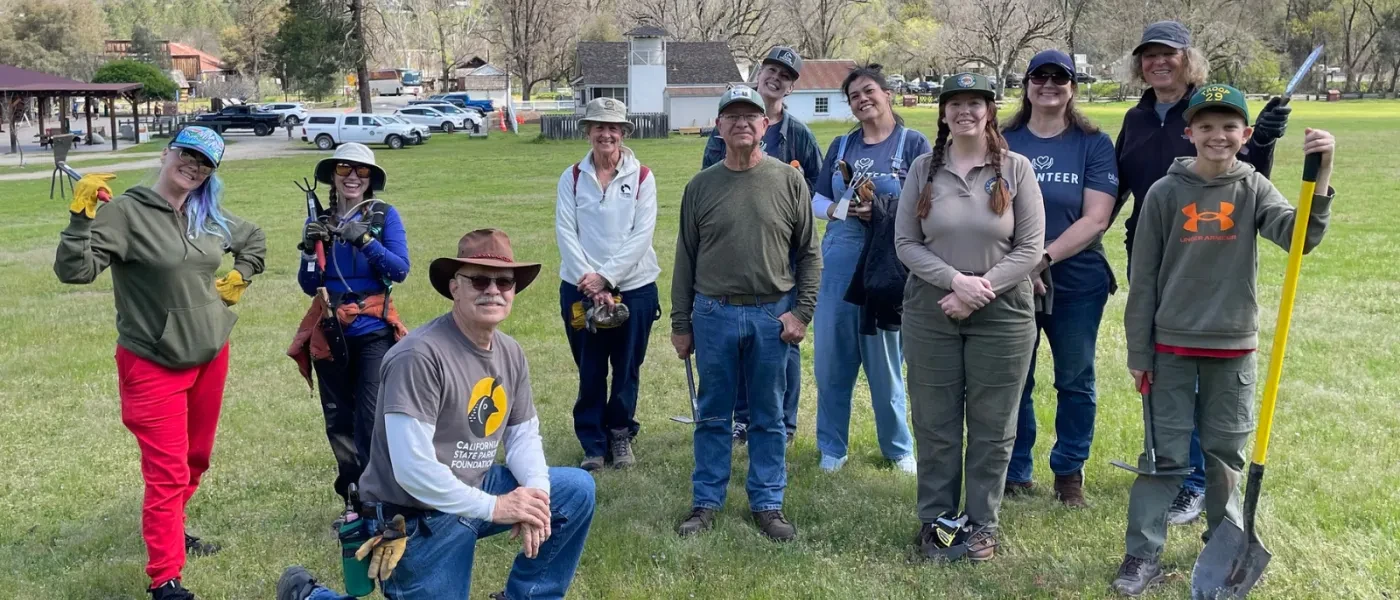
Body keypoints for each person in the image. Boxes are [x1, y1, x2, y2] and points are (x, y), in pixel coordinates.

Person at [278, 229, 596, 600]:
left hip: (473, 487)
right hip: (416, 513)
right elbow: (413, 471)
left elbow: (523, 434)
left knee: (574, 491)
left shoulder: (510, 352)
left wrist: (535, 501)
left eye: (504, 281)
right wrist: (497, 507)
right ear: (454, 287)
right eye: (478, 279)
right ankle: (311, 596)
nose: (493, 289)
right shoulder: (419, 356)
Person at [1110, 84, 1335, 597]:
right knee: (1163, 457)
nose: (1218, 135)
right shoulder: (1165, 194)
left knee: (1224, 453)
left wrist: (1322, 172)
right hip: (1169, 346)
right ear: (1188, 133)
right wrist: (1139, 352)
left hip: (1233, 347)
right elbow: (1143, 279)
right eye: (1206, 126)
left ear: (1247, 134)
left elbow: (1301, 238)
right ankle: (1141, 554)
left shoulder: (1252, 187)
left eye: (1229, 126)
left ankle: (1225, 543)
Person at [55, 126, 266, 600]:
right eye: (187, 155)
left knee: (195, 459)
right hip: (153, 362)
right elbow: (76, 271)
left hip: (209, 353)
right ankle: (166, 577)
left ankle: (172, 529)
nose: (193, 167)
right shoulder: (125, 213)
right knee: (167, 471)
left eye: (205, 163)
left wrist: (240, 274)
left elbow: (253, 238)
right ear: (168, 153)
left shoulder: (204, 212)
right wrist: (80, 218)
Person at [1115, 20, 1294, 526]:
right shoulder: (1137, 117)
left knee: (1212, 398)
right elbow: (1121, 185)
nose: (1158, 62)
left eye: (1168, 54)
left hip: (1215, 264)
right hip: (1157, 249)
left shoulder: (1210, 107)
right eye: (1149, 55)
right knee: (1171, 376)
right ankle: (1175, 470)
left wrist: (1268, 142)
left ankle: (1196, 484)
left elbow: (1243, 174)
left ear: (1186, 59)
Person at [895, 73, 1045, 562]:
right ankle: (936, 521)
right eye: (955, 104)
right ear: (942, 114)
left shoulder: (1016, 169)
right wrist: (954, 282)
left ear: (989, 111)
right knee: (935, 422)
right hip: (931, 309)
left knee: (993, 424)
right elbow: (905, 244)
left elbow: (1030, 249)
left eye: (974, 104)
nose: (965, 112)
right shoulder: (923, 168)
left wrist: (979, 289)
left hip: (1004, 313)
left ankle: (982, 524)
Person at [671, 86, 820, 541]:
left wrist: (801, 314)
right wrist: (681, 323)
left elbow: (810, 254)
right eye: (731, 116)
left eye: (750, 116)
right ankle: (706, 501)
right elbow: (686, 258)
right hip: (713, 314)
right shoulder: (701, 186)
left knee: (768, 415)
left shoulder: (789, 181)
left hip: (772, 317)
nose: (741, 123)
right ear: (718, 127)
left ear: (765, 125)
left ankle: (768, 503)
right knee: (713, 413)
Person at [1000, 50, 1118, 507]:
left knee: (1075, 377)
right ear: (1026, 85)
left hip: (1076, 275)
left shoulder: (1093, 142)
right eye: (1039, 76)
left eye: (1060, 77)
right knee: (1015, 377)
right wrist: (1020, 265)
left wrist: (1041, 259)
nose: (1049, 84)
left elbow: (1096, 218)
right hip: (1010, 273)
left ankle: (1069, 473)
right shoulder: (1003, 139)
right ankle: (1016, 470)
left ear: (1073, 86)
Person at [809, 65, 929, 474]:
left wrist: (882, 210)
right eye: (854, 95)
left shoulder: (913, 144)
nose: (863, 99)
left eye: (869, 90)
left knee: (885, 360)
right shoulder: (841, 146)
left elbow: (929, 203)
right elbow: (817, 200)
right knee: (831, 358)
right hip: (841, 258)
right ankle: (831, 447)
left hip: (889, 259)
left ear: (888, 93)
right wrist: (842, 209)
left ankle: (898, 449)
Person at [701, 45, 821, 445]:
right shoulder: (727, 127)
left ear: (790, 86)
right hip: (737, 255)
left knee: (783, 345)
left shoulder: (797, 134)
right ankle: (741, 418)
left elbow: (816, 188)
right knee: (737, 339)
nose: (776, 78)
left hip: (782, 260)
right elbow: (710, 183)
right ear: (758, 73)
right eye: (771, 69)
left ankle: (783, 424)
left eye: (785, 75)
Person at [290, 143, 410, 511]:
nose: (353, 176)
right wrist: (311, 250)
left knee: (371, 416)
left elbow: (399, 270)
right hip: (330, 329)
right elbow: (310, 284)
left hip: (372, 328)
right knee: (339, 420)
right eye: (344, 168)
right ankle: (354, 499)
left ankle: (381, 498)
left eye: (361, 170)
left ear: (371, 178)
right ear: (333, 176)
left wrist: (365, 240)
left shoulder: (385, 216)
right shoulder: (320, 221)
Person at [555, 97, 661, 470]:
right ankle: (593, 444)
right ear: (588, 131)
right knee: (590, 365)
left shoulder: (643, 177)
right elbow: (566, 232)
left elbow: (642, 234)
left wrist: (608, 277)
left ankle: (620, 434)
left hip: (635, 287)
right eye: (599, 126)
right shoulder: (571, 177)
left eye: (613, 127)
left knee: (628, 365)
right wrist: (592, 282)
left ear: (623, 133)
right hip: (579, 289)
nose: (606, 133)